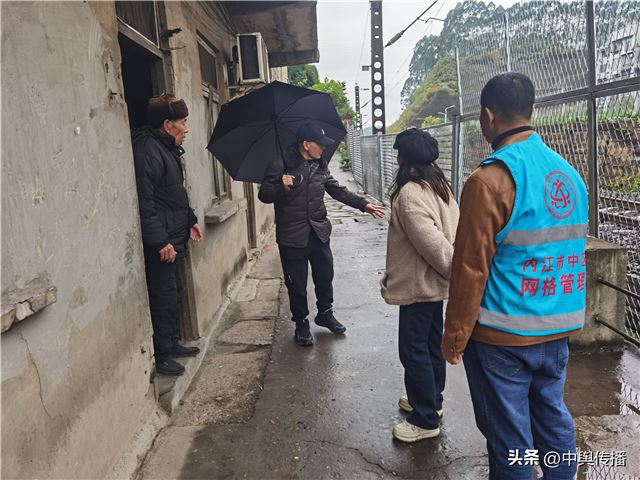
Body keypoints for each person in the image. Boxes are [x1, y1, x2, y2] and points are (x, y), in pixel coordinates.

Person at [443, 73, 588, 479]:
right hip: (557, 330)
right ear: (533, 110)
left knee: (511, 442)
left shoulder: (489, 180)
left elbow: (470, 268)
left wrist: (455, 337)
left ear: (488, 117)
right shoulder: (569, 174)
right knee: (553, 421)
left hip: (502, 339)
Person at [258, 122, 385, 346]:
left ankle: (325, 313)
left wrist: (363, 204)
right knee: (296, 284)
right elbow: (264, 194)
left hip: (318, 232)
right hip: (292, 236)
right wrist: (281, 186)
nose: (324, 148)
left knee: (325, 276)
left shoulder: (320, 164)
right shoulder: (280, 164)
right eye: (320, 144)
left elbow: (337, 190)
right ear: (306, 144)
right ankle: (301, 323)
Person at [380, 128, 459, 443]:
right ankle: (430, 400)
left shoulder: (411, 194)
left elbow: (436, 248)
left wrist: (454, 271)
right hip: (431, 286)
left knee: (414, 351)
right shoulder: (439, 185)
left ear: (404, 158)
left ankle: (425, 418)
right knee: (429, 345)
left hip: (419, 288)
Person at [132, 94, 204, 376]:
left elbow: (174, 195)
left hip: (174, 234)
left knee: (174, 293)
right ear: (167, 124)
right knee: (163, 296)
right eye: (183, 122)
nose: (186, 128)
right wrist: (160, 241)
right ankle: (161, 355)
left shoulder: (166, 150)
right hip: (162, 240)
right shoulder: (148, 151)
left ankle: (173, 343)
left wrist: (191, 221)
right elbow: (145, 203)